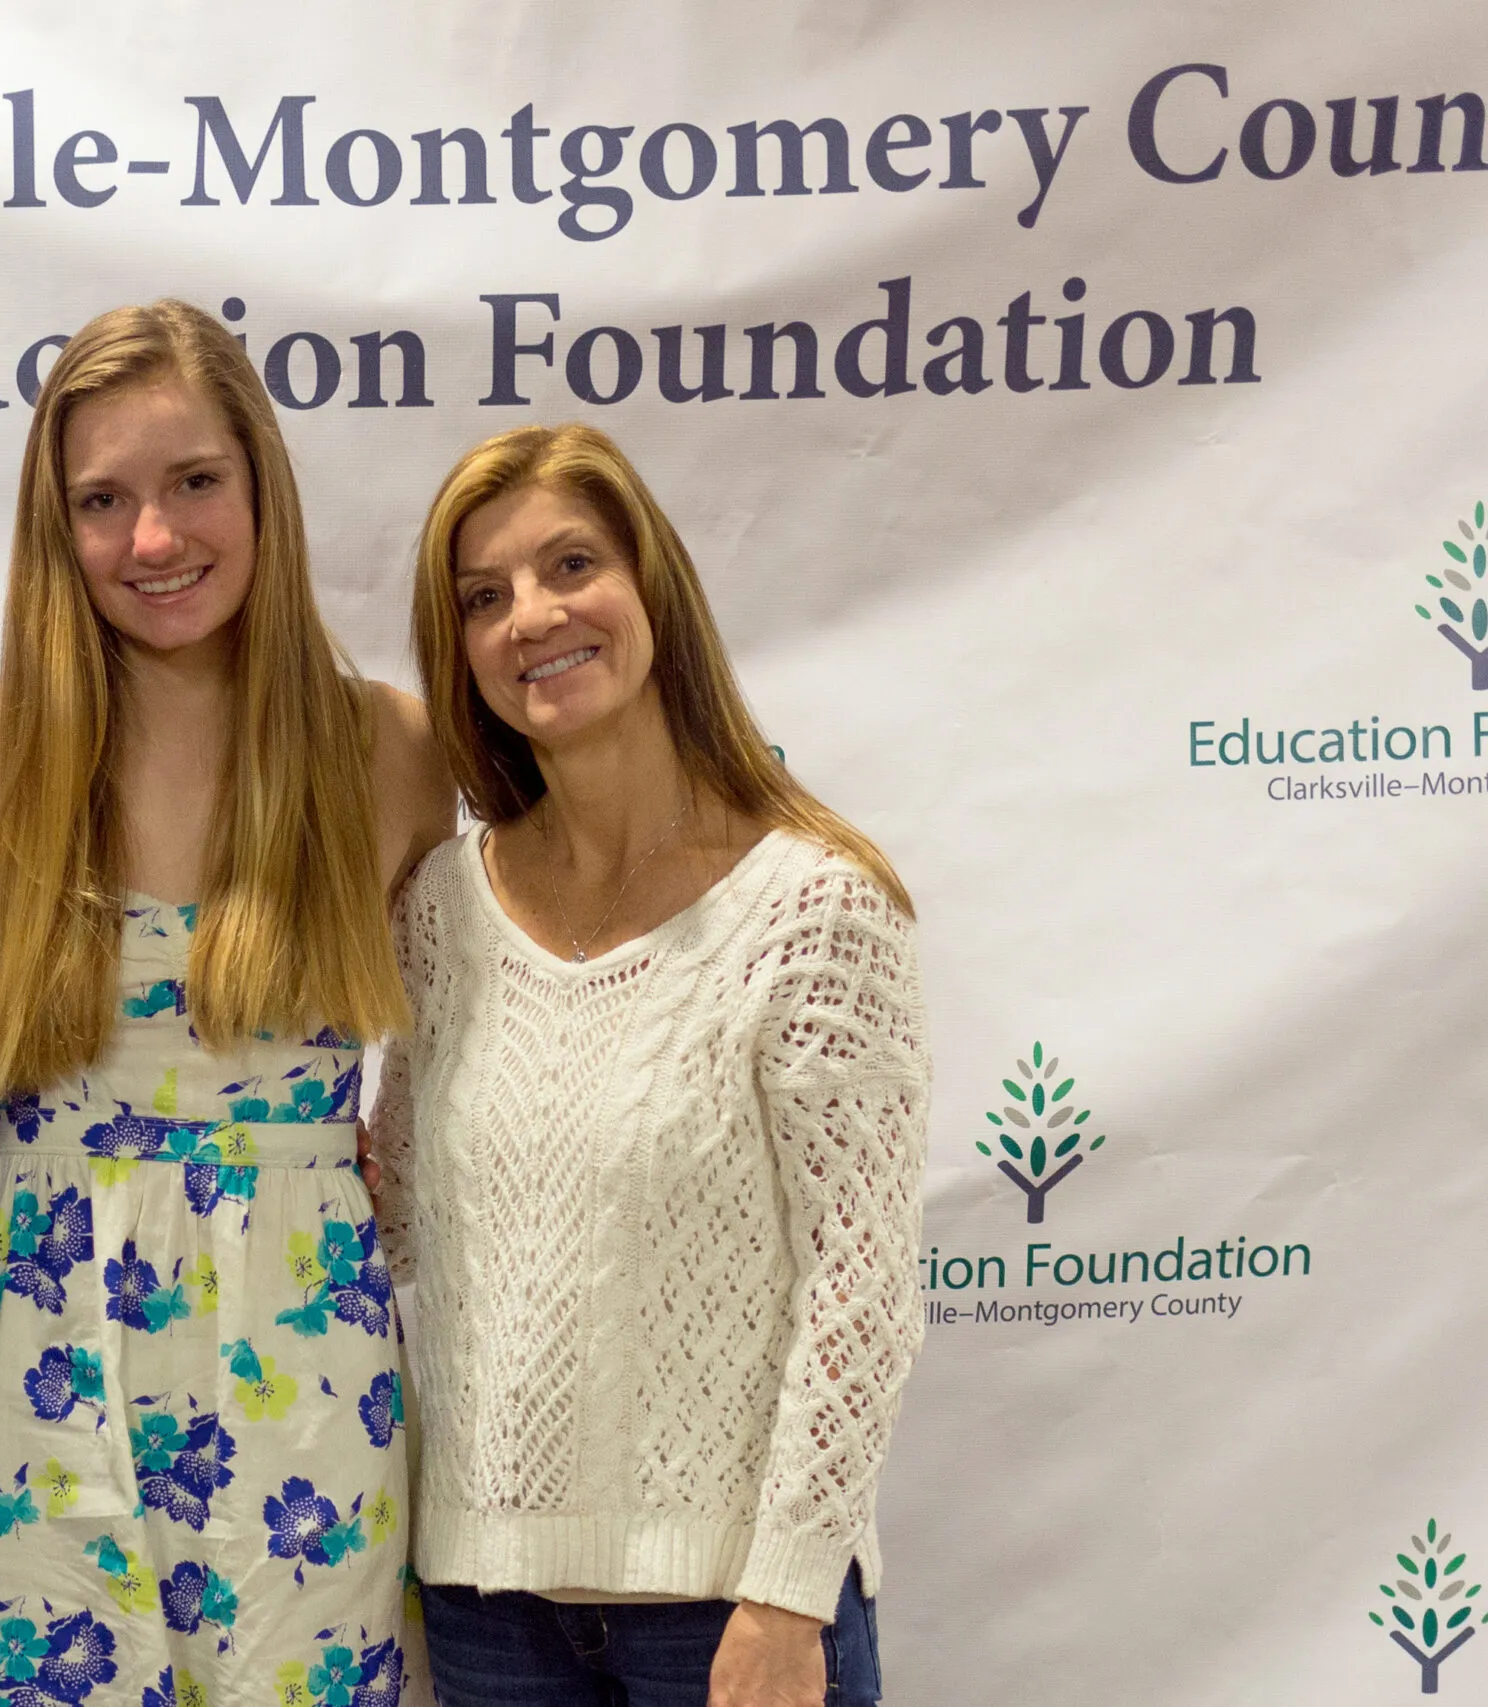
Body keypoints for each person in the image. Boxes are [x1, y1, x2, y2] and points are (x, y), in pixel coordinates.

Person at [371, 424, 930, 1707]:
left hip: (732, 1614)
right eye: (482, 597)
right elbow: (397, 1218)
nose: (532, 615)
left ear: (652, 590)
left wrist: (788, 1596)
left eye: (571, 565)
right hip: (485, 1613)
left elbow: (860, 1289)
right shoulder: (439, 911)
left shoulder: (814, 908)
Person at [0, 300, 452, 1707]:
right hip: (49, 1335)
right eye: (101, 500)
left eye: (193, 481)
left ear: (261, 486)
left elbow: (480, 1047)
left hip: (304, 1338)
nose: (153, 537)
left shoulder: (389, 748)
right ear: (56, 527)